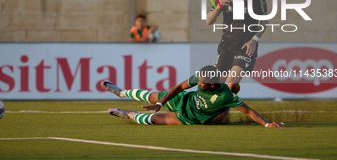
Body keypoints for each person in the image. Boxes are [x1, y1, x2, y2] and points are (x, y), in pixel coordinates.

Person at [101, 65, 284, 127]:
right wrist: (161, 102)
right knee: (151, 96)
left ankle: (129, 114)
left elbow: (249, 111)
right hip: (184, 100)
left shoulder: (224, 94)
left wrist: (267, 124)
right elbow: (179, 87)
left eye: (202, 84)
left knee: (152, 120)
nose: (199, 84)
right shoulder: (201, 76)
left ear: (213, 83)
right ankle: (121, 92)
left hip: (190, 117)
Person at [206, 0, 269, 94]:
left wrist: (254, 40)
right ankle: (222, 113)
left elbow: (265, 20)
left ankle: (228, 108)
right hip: (227, 43)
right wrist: (218, 7)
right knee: (216, 86)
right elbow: (208, 21)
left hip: (246, 45)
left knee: (232, 81)